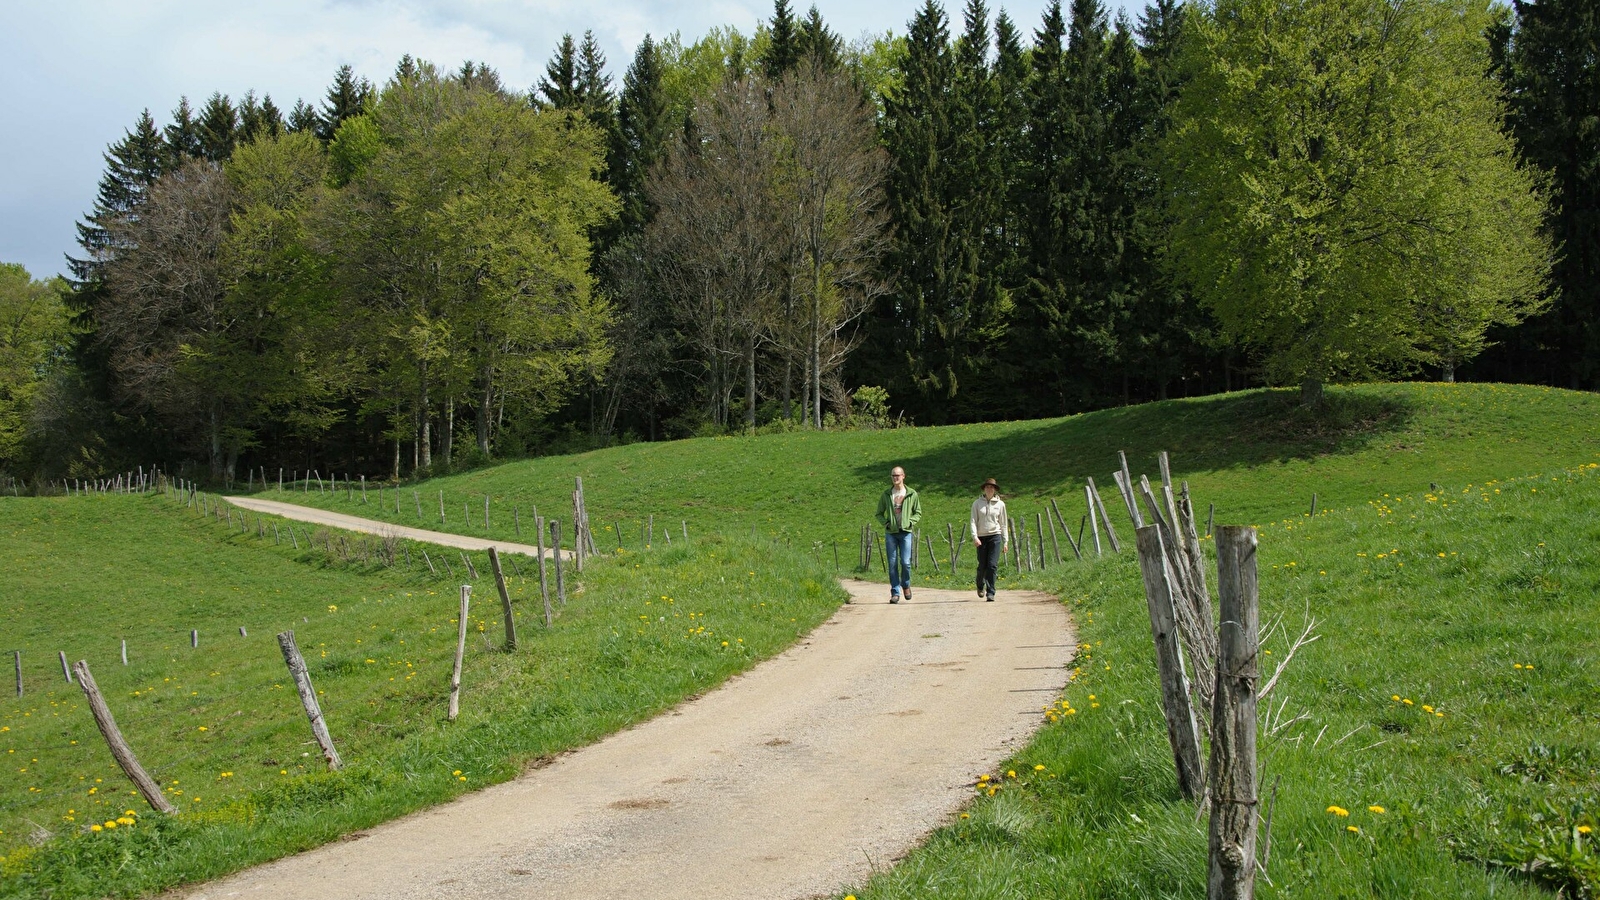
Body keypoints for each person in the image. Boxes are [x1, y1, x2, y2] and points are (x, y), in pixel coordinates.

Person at [875, 466, 921, 603]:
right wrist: (886, 523)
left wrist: (911, 522)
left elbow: (918, 512)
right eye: (893, 476)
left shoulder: (912, 493)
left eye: (898, 475)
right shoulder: (886, 494)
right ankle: (895, 592)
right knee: (892, 563)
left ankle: (905, 585)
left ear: (903, 476)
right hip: (891, 533)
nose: (895, 478)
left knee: (906, 562)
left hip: (906, 533)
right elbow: (878, 513)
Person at [970, 478, 1007, 601]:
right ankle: (980, 585)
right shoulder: (977, 503)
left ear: (995, 489)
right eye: (987, 487)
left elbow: (1003, 523)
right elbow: (973, 521)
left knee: (992, 565)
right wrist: (975, 537)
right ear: (984, 489)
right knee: (982, 566)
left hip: (995, 536)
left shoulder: (1000, 504)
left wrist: (1005, 541)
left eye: (992, 487)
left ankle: (991, 592)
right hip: (981, 537)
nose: (989, 489)